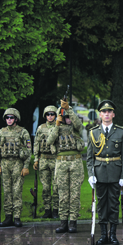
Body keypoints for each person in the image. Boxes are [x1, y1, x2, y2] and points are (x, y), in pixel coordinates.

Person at [87, 100, 123, 245]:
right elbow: (89, 157)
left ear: (113, 114)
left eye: (109, 112)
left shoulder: (121, 132)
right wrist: (91, 174)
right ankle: (103, 234)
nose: (106, 114)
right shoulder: (93, 133)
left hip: (115, 173)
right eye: (104, 112)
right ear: (100, 114)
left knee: (113, 204)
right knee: (101, 205)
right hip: (99, 173)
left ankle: (113, 235)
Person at [47, 100, 85, 233]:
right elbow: (49, 141)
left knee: (74, 194)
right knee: (62, 193)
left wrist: (69, 109)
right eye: (65, 117)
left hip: (75, 162)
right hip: (61, 163)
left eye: (69, 117)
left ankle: (73, 222)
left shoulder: (75, 128)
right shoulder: (55, 129)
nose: (68, 119)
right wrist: (57, 125)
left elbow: (79, 125)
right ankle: (63, 222)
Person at [0, 108, 32, 227]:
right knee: (7, 191)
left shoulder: (23, 132)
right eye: (7, 118)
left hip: (17, 163)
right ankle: (8, 217)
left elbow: (28, 150)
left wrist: (26, 166)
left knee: (17, 191)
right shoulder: (0, 132)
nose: (9, 120)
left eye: (11, 118)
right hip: (5, 163)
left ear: (16, 119)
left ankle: (17, 217)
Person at [33, 105, 59, 219]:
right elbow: (36, 144)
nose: (50, 116)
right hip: (43, 159)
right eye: (48, 114)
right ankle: (47, 209)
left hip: (55, 159)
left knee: (56, 187)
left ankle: (56, 210)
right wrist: (35, 159)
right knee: (45, 187)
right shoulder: (40, 128)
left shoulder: (59, 127)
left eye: (52, 114)